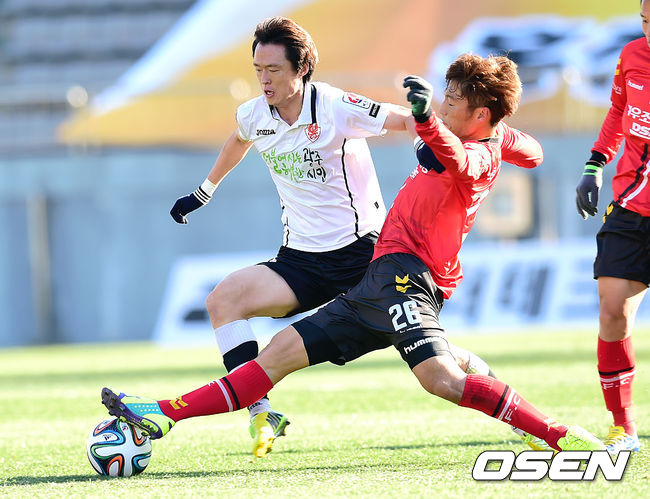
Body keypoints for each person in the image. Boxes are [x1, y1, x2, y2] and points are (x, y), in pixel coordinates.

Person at [103, 54, 605, 455]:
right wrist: (500, 138)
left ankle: (557, 434)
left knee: (441, 379)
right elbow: (533, 152)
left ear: (479, 115)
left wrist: (427, 121)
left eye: (452, 102)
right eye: (443, 97)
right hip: (377, 281)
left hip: (407, 276)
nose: (442, 106)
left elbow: (458, 158)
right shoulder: (492, 136)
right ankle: (162, 412)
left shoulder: (472, 155)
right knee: (276, 354)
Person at [167, 16, 494, 458]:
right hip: (300, 260)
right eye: (258, 70)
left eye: (274, 70)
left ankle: (489, 383)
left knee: (430, 358)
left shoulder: (336, 105)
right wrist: (204, 191)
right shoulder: (253, 113)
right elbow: (238, 140)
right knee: (223, 301)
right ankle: (261, 411)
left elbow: (402, 119)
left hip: (364, 256)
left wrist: (428, 141)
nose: (264, 80)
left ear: (302, 68)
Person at [574, 0, 650, 455]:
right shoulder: (632, 56)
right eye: (644, 21)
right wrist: (594, 165)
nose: (649, 31)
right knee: (612, 312)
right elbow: (618, 111)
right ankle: (623, 426)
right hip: (631, 208)